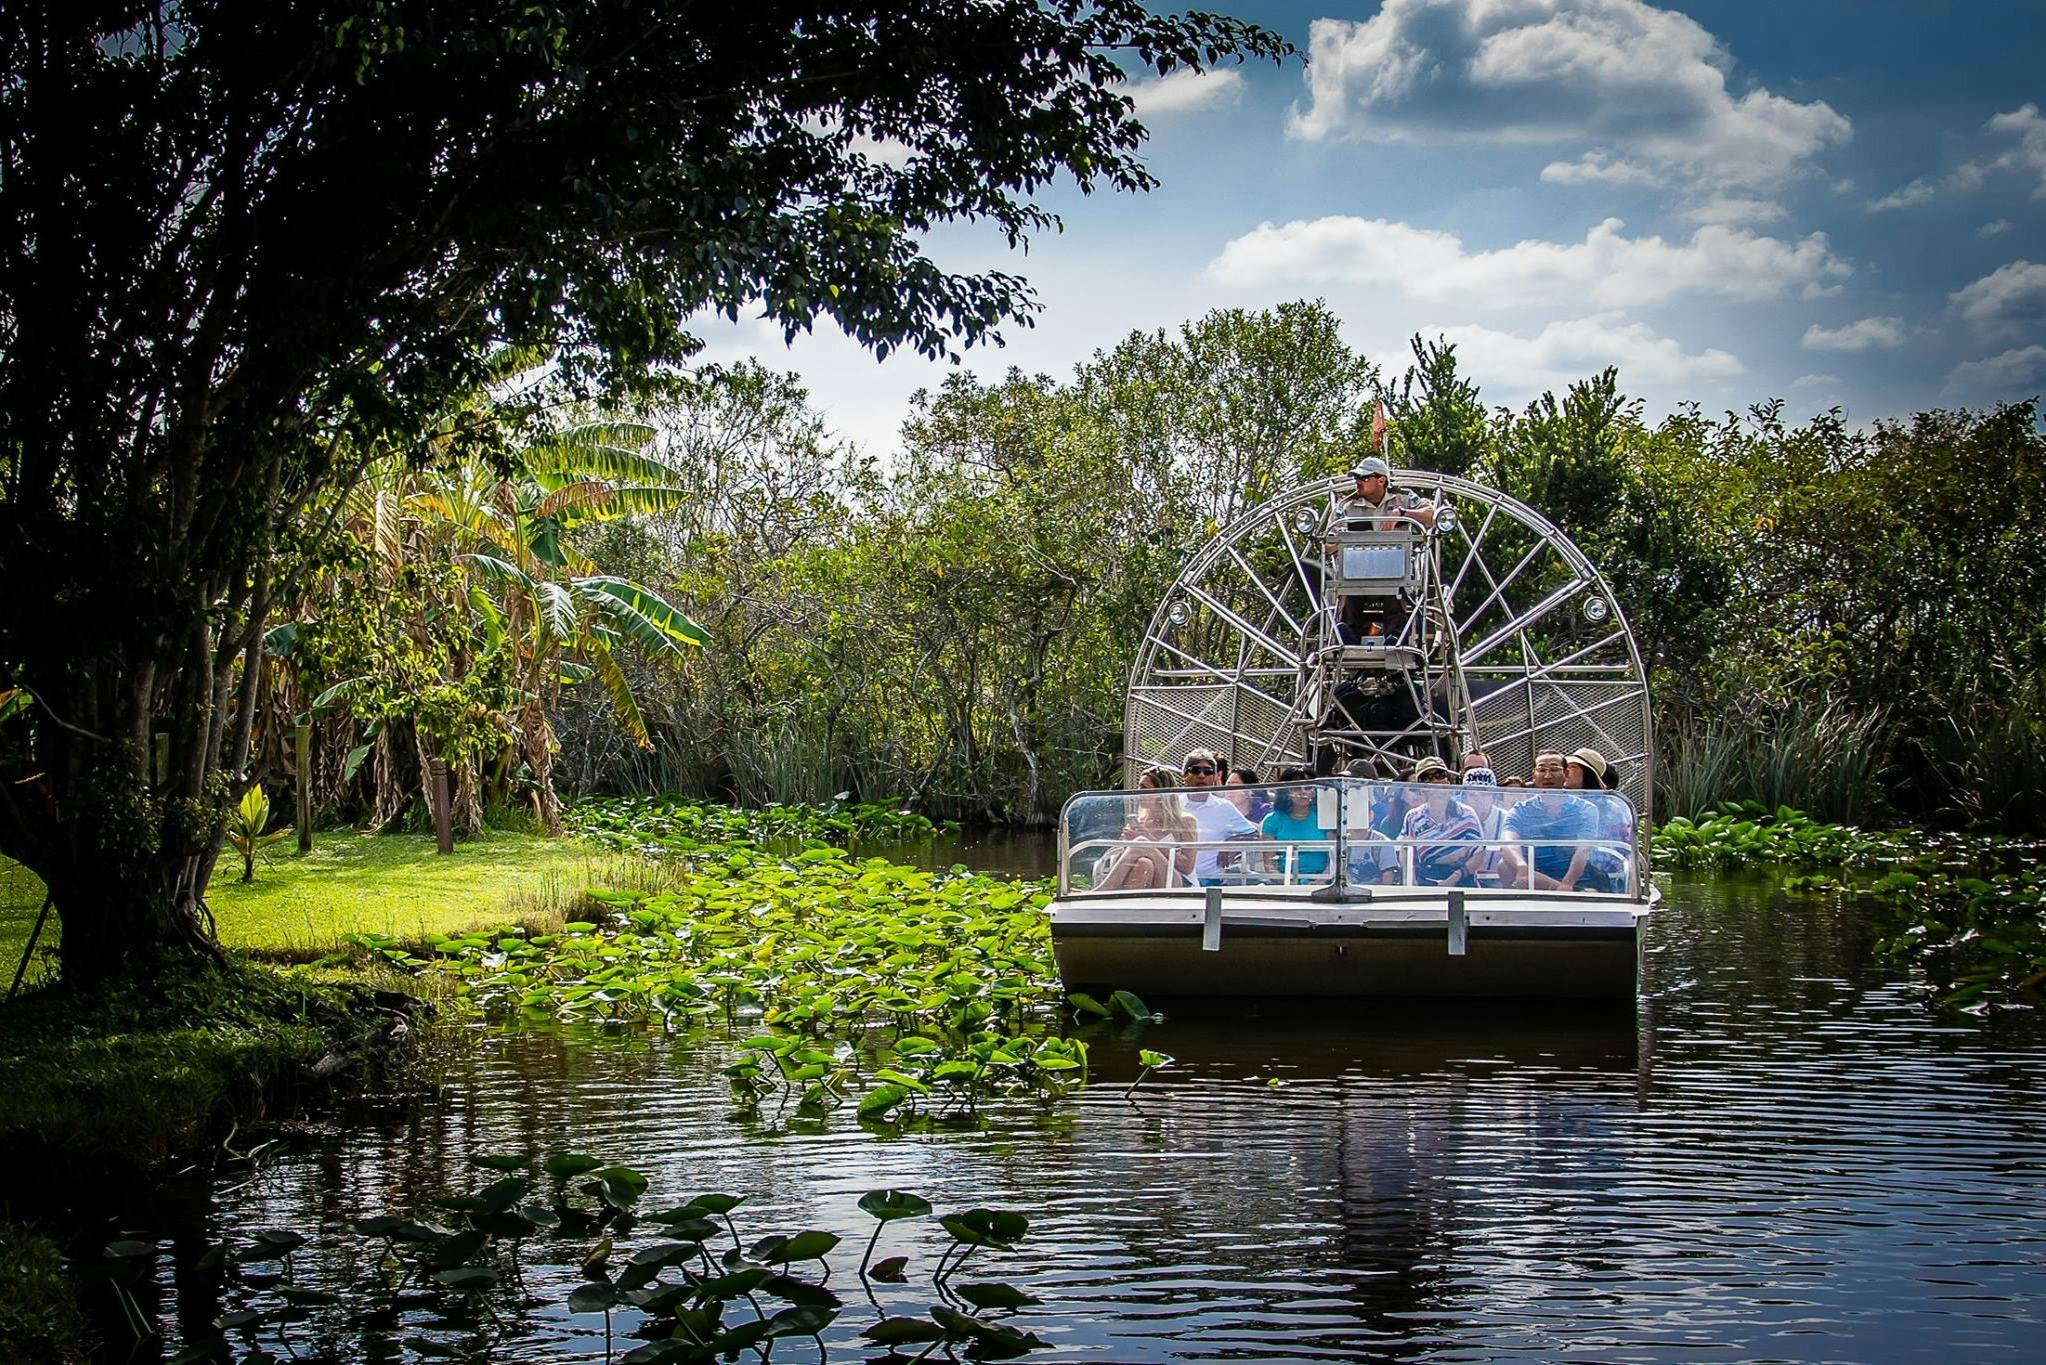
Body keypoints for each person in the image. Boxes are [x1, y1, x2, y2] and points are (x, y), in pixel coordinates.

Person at [1495, 750, 1599, 891]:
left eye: (1554, 769)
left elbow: (1583, 849)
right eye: (1542, 769)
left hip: (1576, 882)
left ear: (1566, 774)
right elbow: (1508, 842)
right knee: (1505, 865)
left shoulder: (1585, 809)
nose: (1548, 775)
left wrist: (1567, 884)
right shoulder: (1520, 809)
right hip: (1532, 880)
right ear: (1534, 775)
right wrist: (1522, 866)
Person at [1093, 765, 1196, 891]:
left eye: (1145, 788)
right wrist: (1126, 844)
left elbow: (1187, 866)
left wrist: (1151, 842)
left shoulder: (1185, 821)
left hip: (1177, 882)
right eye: (1139, 787)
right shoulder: (1139, 821)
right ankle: (1127, 908)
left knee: (1142, 842)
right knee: (1144, 864)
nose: (1139, 792)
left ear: (1161, 792)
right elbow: (1124, 860)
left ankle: (1103, 890)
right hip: (1148, 876)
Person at [1180, 748, 1259, 885]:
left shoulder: (1224, 807)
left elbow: (1254, 834)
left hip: (1210, 880)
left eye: (1208, 771)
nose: (1202, 776)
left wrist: (1232, 843)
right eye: (1195, 770)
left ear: (1215, 777)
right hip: (1177, 878)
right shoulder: (1174, 804)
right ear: (1185, 775)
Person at [1399, 755, 1481, 886]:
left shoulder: (1466, 814)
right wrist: (1411, 880)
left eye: (1439, 775)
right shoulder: (1413, 817)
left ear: (1448, 780)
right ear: (1421, 787)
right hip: (1426, 880)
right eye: (1427, 778)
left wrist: (1453, 879)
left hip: (1462, 879)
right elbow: (1405, 850)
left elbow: (1479, 854)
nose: (1435, 781)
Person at [1565, 746, 1634, 893]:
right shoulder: (1566, 802)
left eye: (1573, 767)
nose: (1567, 771)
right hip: (1572, 869)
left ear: (1588, 773)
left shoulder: (1608, 807)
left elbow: (1601, 859)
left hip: (1601, 877)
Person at [1258, 766, 1330, 882]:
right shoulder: (1272, 820)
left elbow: (1335, 860)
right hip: (1285, 884)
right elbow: (1270, 865)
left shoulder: (1326, 817)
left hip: (1323, 883)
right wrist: (1289, 885)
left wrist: (1320, 882)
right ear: (1285, 792)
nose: (1303, 792)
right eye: (1296, 788)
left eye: (1308, 787)